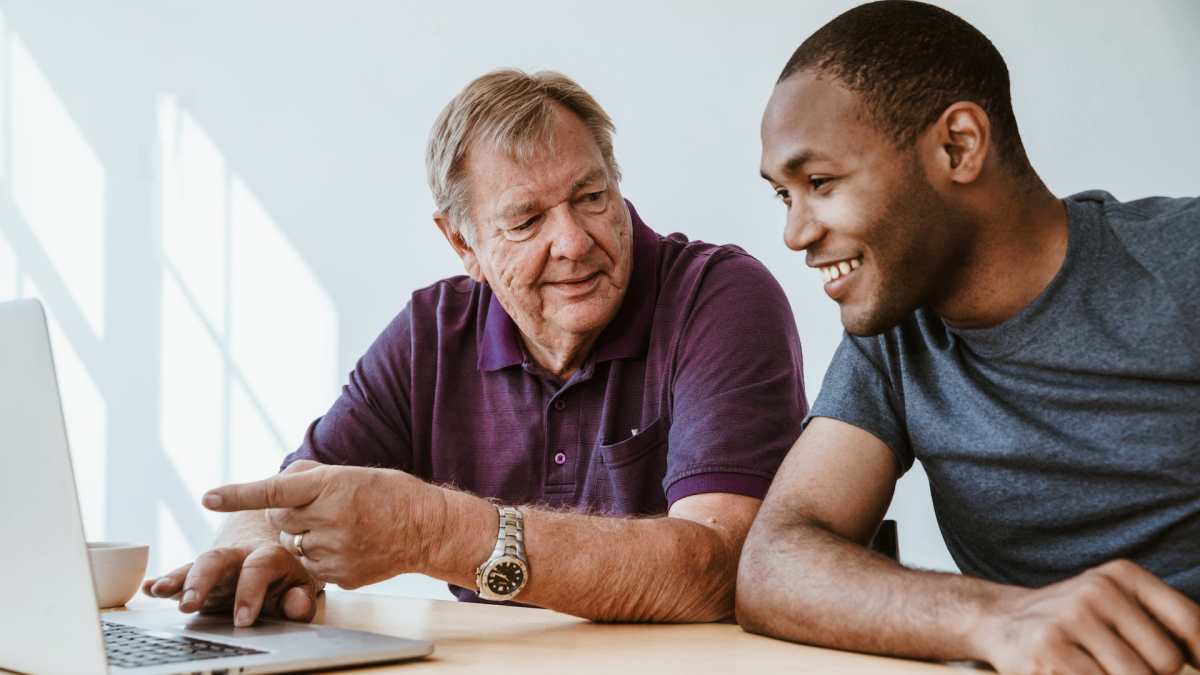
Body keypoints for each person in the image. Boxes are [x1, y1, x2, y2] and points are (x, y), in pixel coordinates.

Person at [142, 69, 806, 626]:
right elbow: (292, 498)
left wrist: (431, 529)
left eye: (592, 197)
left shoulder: (718, 297)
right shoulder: (433, 329)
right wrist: (257, 544)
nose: (574, 241)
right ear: (464, 244)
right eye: (526, 220)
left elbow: (722, 569)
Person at [736, 2, 1200, 673]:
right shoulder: (893, 333)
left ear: (958, 145)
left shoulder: (1180, 261)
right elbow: (774, 563)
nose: (796, 233)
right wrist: (996, 618)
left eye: (819, 182)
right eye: (786, 195)